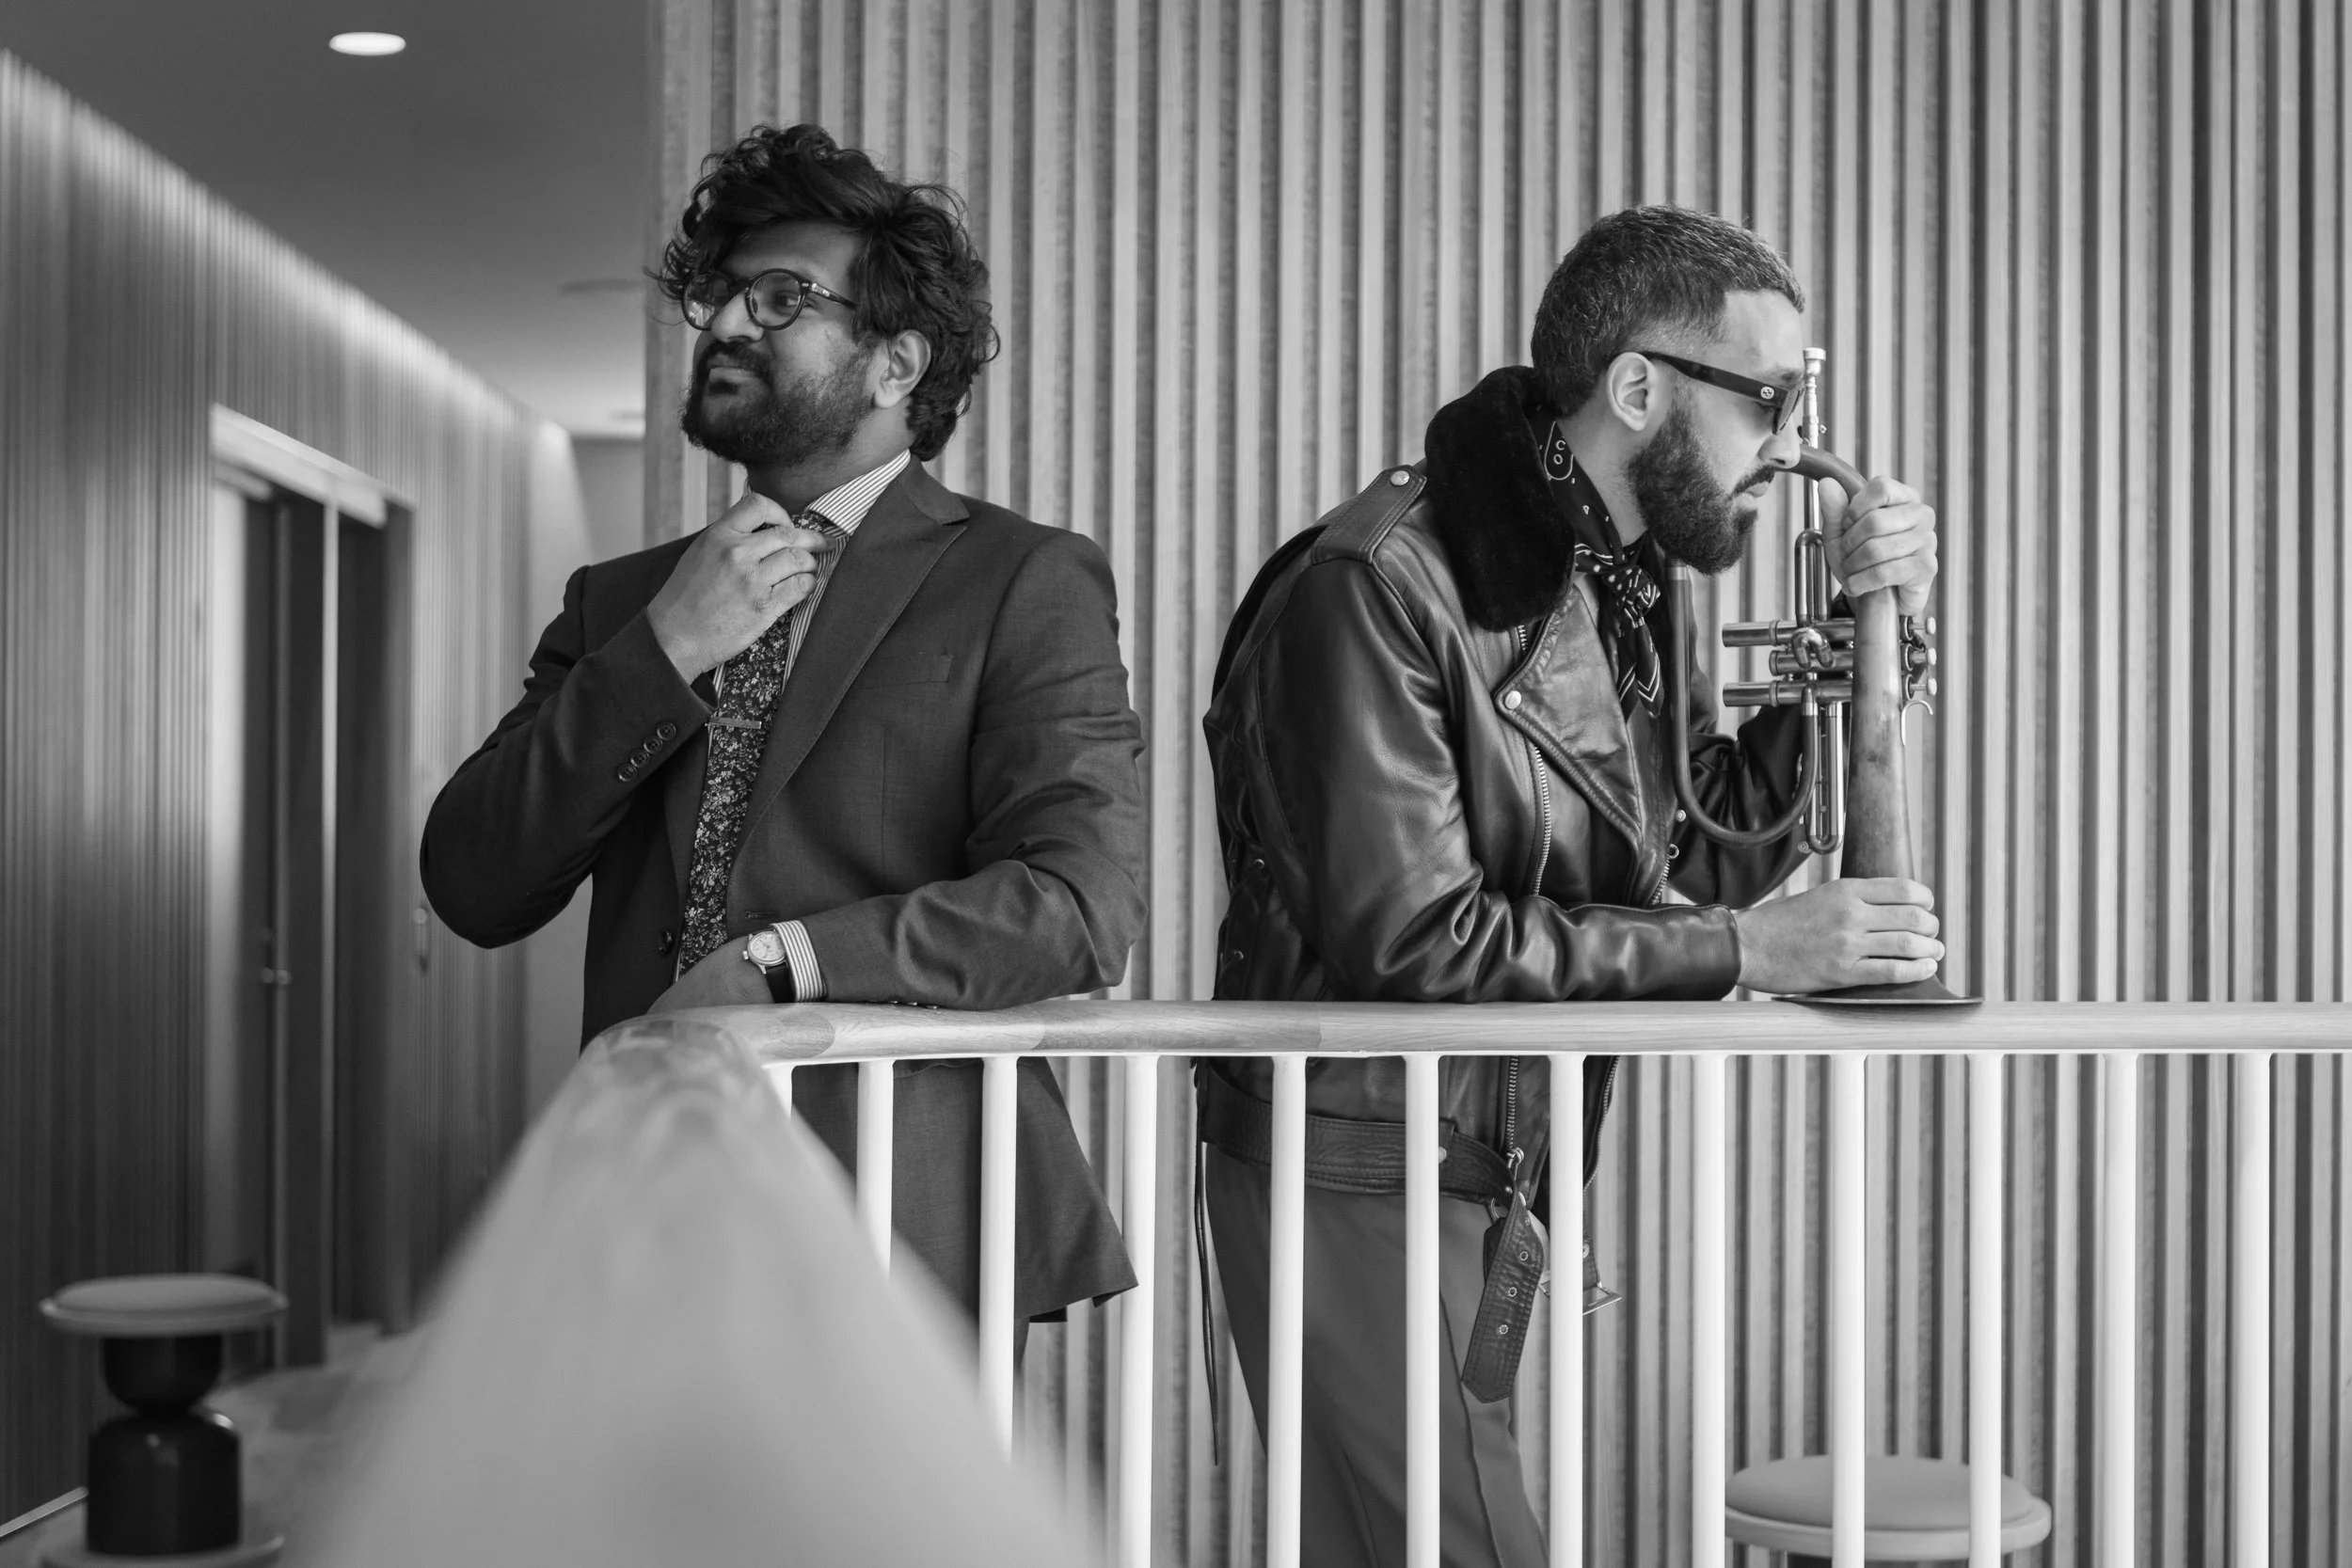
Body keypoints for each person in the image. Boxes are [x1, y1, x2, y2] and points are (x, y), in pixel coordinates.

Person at [1196, 205, 1944, 1566]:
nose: (1792, 448)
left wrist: (1868, 634)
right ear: (1639, 389)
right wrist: (1748, 951)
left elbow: (1695, 846)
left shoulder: (1624, 574)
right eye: (1771, 401)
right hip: (1357, 1163)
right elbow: (1417, 941)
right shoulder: (1377, 582)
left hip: (1471, 1167)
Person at [422, 123, 1147, 1335]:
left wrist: (778, 965)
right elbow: (472, 881)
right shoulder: (623, 603)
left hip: (899, 1217)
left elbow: (1078, 904)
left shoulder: (1023, 578)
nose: (723, 324)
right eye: (717, 297)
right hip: (645, 1208)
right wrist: (663, 653)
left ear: (896, 364)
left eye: (779, 298)